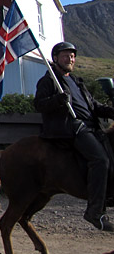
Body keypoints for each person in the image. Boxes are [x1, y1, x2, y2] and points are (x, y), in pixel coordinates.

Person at [35, 41, 114, 231]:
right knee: (100, 160)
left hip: (91, 127)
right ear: (55, 59)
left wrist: (111, 112)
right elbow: (39, 104)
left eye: (72, 56)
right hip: (70, 128)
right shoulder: (49, 81)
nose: (70, 58)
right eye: (65, 55)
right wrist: (57, 100)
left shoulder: (76, 81)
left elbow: (93, 106)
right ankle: (94, 211)